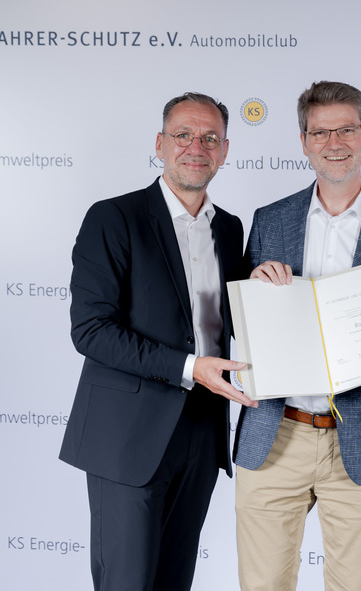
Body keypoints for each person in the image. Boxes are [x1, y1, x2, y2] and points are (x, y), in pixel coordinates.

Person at [233, 80, 361, 591]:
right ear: (303, 142)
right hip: (275, 432)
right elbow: (240, 325)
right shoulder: (270, 220)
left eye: (345, 129)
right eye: (320, 132)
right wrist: (256, 287)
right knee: (262, 585)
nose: (334, 142)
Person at [59, 92, 254, 591]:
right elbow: (91, 330)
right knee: (126, 581)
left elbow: (237, 319)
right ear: (160, 144)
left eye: (210, 138)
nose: (196, 147)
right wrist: (190, 367)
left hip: (203, 431)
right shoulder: (114, 217)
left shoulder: (230, 229)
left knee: (175, 581)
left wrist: (268, 283)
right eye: (183, 135)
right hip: (128, 435)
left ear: (225, 150)